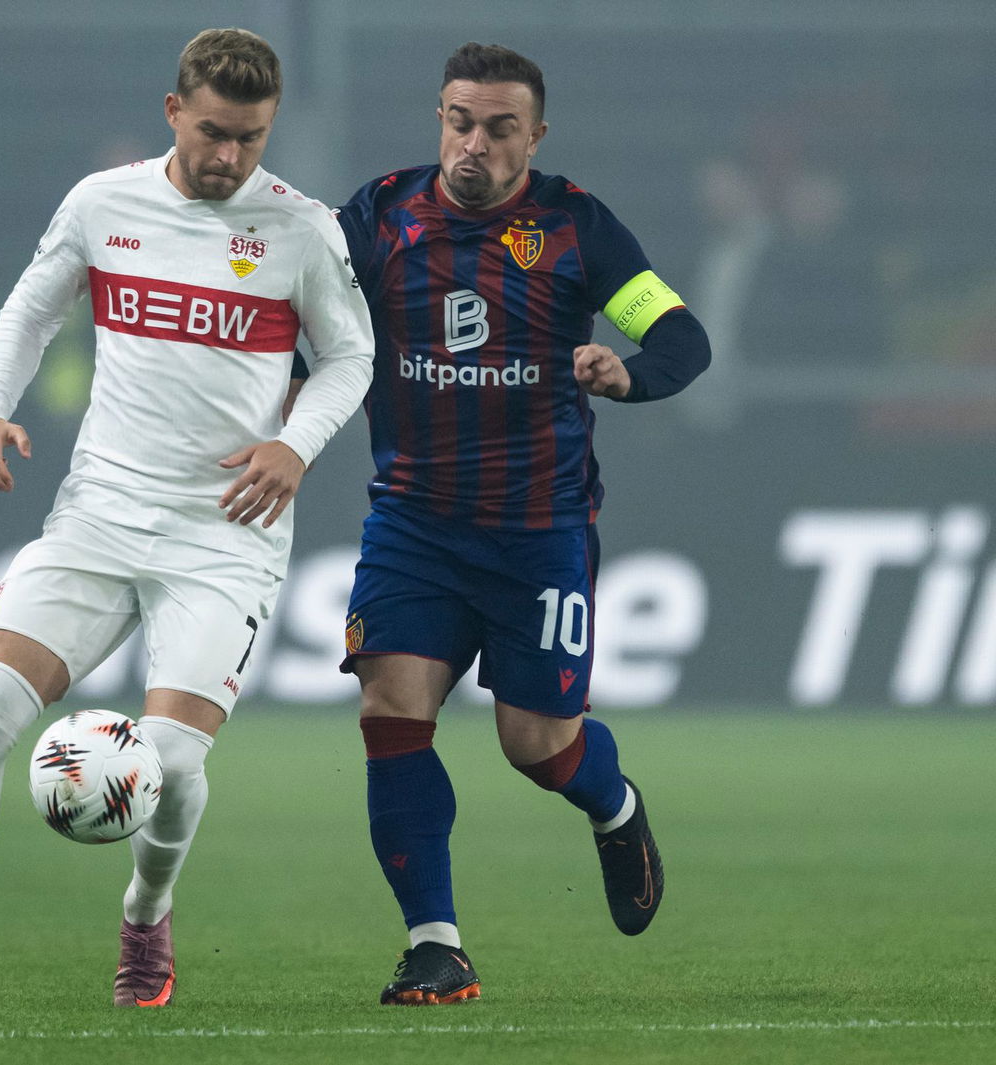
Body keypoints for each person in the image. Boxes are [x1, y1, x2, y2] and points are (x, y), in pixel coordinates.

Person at [0, 27, 373, 1011]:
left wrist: (294, 446)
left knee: (172, 764)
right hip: (100, 511)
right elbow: (32, 308)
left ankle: (146, 915)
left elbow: (350, 358)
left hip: (221, 534)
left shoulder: (301, 230)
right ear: (172, 112)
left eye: (249, 138)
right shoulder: (104, 203)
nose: (228, 157)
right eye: (211, 133)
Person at [332, 43, 710, 1003]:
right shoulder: (378, 217)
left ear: (534, 137)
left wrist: (630, 372)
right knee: (390, 708)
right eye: (461, 120)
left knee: (538, 745)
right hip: (412, 522)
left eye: (501, 128)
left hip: (538, 530)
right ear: (440, 119)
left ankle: (615, 806)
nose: (476, 143)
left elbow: (677, 335)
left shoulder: (576, 229)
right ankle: (436, 944)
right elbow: (308, 325)